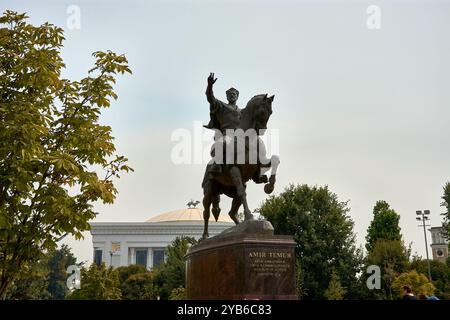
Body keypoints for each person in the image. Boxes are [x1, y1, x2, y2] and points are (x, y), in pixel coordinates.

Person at [204, 73, 241, 176]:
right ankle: (217, 165)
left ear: (237, 96)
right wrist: (210, 85)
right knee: (219, 144)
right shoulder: (221, 106)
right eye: (230, 94)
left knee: (258, 145)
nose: (232, 95)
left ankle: (259, 171)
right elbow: (210, 98)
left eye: (234, 94)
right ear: (227, 96)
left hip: (241, 137)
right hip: (227, 135)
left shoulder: (242, 111)